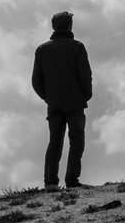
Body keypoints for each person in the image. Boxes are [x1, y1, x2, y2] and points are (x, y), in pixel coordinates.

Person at [31, 11, 93, 190]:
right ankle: (72, 179)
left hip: (54, 103)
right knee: (77, 140)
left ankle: (50, 182)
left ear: (53, 26)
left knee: (54, 141)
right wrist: (85, 95)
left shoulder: (42, 49)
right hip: (75, 102)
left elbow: (36, 80)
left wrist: (48, 97)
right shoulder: (77, 47)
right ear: (69, 26)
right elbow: (85, 74)